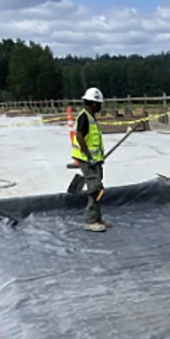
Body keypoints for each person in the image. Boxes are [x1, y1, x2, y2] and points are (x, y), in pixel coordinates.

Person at [72, 87, 111, 232]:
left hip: (95, 160)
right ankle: (89, 220)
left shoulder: (90, 116)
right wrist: (88, 157)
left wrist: (97, 158)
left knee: (99, 188)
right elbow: (79, 136)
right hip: (87, 160)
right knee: (95, 189)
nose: (101, 106)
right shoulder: (84, 117)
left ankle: (97, 217)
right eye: (99, 103)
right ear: (93, 103)